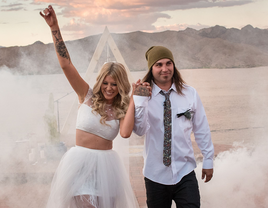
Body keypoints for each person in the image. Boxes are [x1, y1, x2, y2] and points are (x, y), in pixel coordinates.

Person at [40, 5, 143, 208]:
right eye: (105, 83)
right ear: (99, 82)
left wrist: (133, 99)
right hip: (79, 166)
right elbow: (66, 65)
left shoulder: (122, 108)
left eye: (114, 84)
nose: (109, 88)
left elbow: (125, 133)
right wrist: (55, 28)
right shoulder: (85, 95)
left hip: (107, 170)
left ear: (120, 85)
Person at [133, 46, 214, 208]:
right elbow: (139, 131)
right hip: (155, 175)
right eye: (159, 64)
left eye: (168, 63)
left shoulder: (190, 93)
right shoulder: (144, 95)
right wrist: (140, 101)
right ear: (151, 68)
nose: (165, 69)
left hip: (185, 172)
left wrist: (208, 159)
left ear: (173, 66)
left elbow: (201, 128)